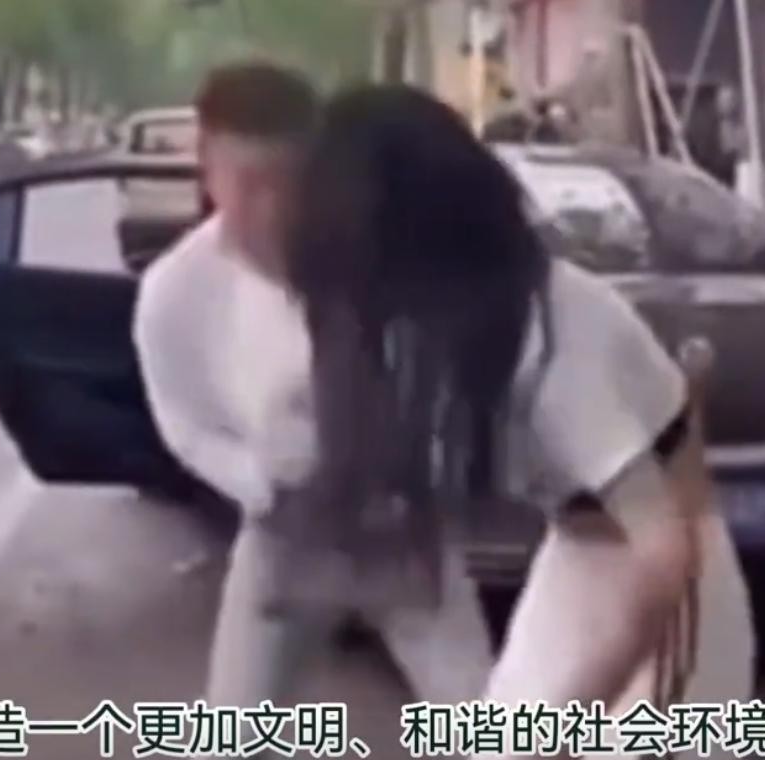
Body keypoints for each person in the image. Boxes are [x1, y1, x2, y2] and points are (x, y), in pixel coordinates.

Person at [284, 86, 754, 759]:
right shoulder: (450, 321)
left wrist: (576, 717)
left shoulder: (557, 345)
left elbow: (664, 553)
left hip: (668, 596)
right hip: (579, 560)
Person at [132, 63, 494, 747]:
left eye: (290, 180)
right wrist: (260, 476)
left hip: (402, 529)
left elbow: (456, 367)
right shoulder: (176, 292)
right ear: (207, 167)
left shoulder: (383, 256)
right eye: (249, 183)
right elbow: (182, 425)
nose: (271, 207)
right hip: (282, 539)